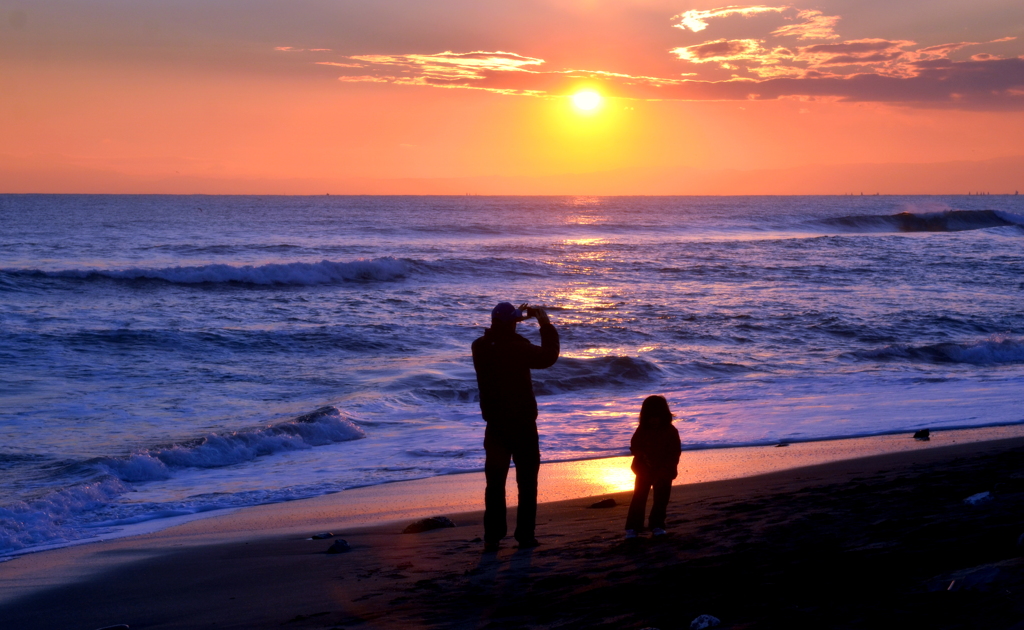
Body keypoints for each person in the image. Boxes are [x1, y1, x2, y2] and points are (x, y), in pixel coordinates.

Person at [472, 302, 559, 551]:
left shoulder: (479, 346)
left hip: (496, 425)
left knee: (495, 483)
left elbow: (502, 341)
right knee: (527, 482)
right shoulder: (518, 348)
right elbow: (548, 357)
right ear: (512, 323)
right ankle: (525, 536)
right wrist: (544, 324)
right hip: (521, 424)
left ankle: (492, 536)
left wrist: (515, 318)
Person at [625, 395, 681, 539]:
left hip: (664, 471)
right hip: (644, 470)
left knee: (661, 500)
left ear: (664, 415)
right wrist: (642, 456)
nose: (653, 420)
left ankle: (657, 525)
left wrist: (664, 469)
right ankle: (633, 527)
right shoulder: (642, 430)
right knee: (639, 498)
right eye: (650, 417)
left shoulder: (670, 431)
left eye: (657, 416)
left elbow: (674, 452)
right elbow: (635, 446)